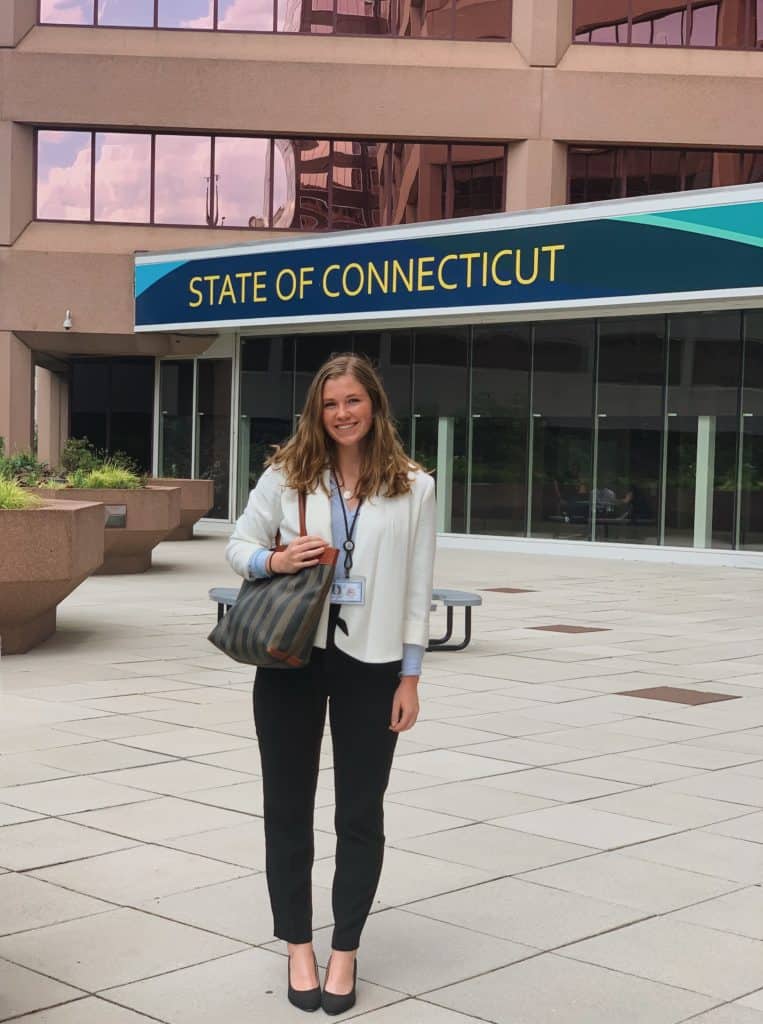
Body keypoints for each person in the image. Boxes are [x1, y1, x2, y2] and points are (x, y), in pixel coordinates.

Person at [226, 352, 436, 1014]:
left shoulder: (413, 486)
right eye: (330, 403)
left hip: (371, 666)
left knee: (359, 811)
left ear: (374, 405)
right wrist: (274, 557)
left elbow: (416, 588)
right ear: (316, 411)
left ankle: (345, 946)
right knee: (286, 808)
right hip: (289, 658)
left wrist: (410, 676)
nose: (343, 413)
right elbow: (237, 544)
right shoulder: (288, 476)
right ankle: (297, 944)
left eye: (354, 400)